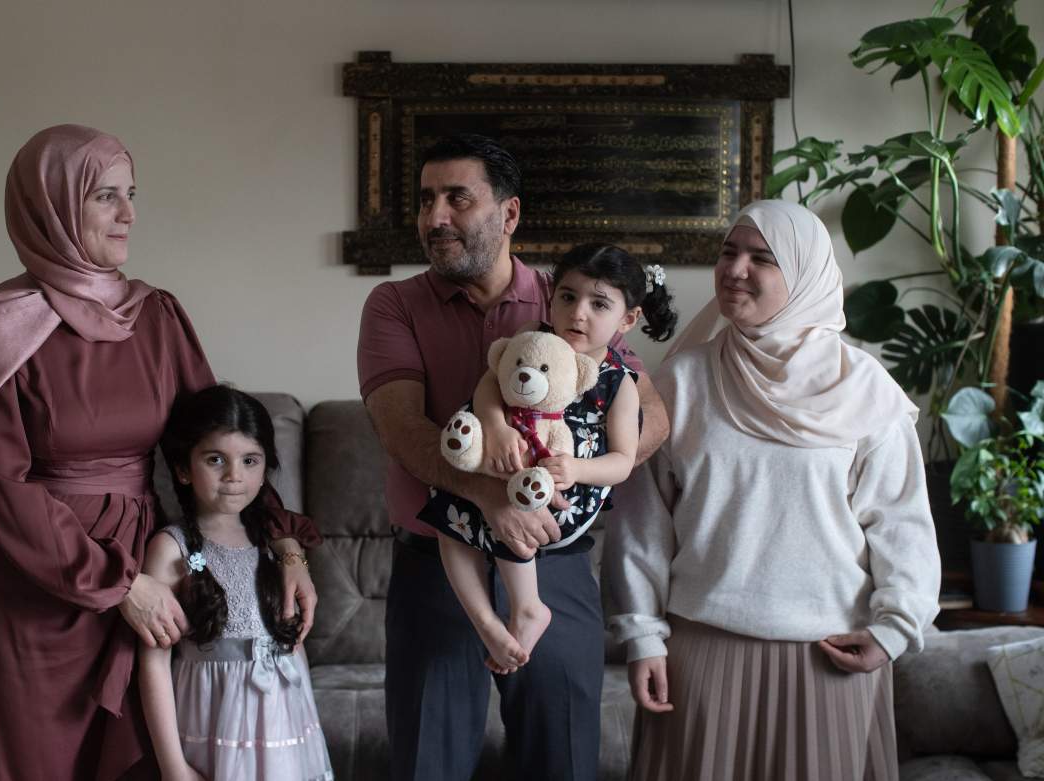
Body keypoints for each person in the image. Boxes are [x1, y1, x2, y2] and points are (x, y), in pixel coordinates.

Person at [0, 124, 318, 781]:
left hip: (146, 577)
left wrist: (286, 547)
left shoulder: (156, 316)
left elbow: (223, 441)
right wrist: (116, 584)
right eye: (106, 196)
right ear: (50, 205)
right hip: (31, 601)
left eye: (130, 194)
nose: (129, 213)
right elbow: (0, 488)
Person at [357, 133, 670, 780]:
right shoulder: (394, 305)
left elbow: (651, 415)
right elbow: (400, 427)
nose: (434, 215)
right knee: (427, 764)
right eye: (425, 200)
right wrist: (488, 497)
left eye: (457, 198)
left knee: (562, 759)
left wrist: (574, 474)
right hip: (440, 565)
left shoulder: (570, 301)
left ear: (509, 214)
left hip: (554, 561)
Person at [603, 199, 941, 781]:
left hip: (831, 656)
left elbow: (902, 523)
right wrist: (641, 635)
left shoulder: (865, 391)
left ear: (806, 274)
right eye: (728, 252)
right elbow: (641, 525)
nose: (735, 269)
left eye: (761, 258)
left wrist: (893, 630)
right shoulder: (681, 381)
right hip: (700, 654)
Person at [417, 244, 677, 673]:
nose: (578, 314)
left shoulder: (619, 382)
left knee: (521, 503)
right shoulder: (532, 342)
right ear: (551, 297)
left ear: (627, 319)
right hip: (503, 456)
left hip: (558, 491)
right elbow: (488, 384)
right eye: (568, 297)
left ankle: (528, 605)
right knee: (445, 507)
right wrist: (496, 426)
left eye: (599, 304)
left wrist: (575, 468)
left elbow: (622, 460)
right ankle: (485, 621)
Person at [139, 385, 333, 781]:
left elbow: (294, 645)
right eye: (215, 460)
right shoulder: (169, 549)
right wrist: (173, 767)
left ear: (266, 470)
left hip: (285, 724)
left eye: (250, 460)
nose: (234, 476)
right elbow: (153, 662)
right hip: (215, 723)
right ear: (182, 469)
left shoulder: (273, 543)